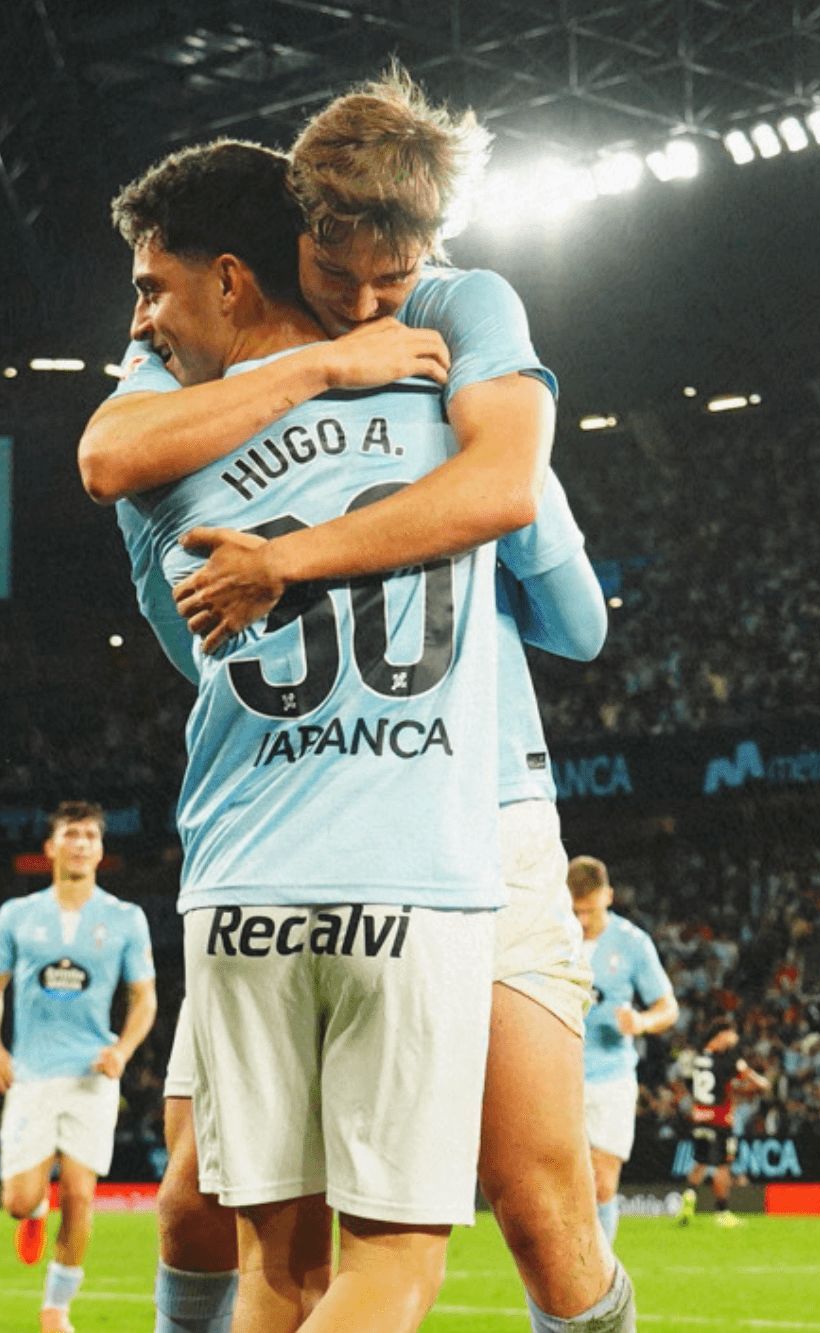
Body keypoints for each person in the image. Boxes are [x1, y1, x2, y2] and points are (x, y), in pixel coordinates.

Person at [103, 114, 607, 1331]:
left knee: (533, 1203)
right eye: (340, 278)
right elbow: (108, 454)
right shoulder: (185, 344)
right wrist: (325, 383)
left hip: (469, 804)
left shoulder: (467, 313)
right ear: (285, 239)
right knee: (226, 1208)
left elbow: (560, 594)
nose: (377, 302)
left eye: (398, 276)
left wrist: (296, 557)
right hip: (335, 815)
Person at [0, 801, 158, 1333]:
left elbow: (143, 997)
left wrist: (122, 1050)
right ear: (51, 848)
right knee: (19, 1200)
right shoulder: (17, 915)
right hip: (32, 1074)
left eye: (90, 837)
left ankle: (56, 1310)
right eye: (71, 835)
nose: (81, 844)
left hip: (91, 1077)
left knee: (80, 1194)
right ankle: (32, 1217)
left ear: (101, 851)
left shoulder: (125, 918)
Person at [568, 854, 679, 1244]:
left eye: (589, 911)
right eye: (574, 911)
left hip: (610, 1077)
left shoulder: (632, 943)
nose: (581, 921)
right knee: (562, 1186)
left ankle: (599, 1280)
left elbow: (668, 1007)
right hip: (557, 1077)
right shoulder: (551, 938)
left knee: (601, 1182)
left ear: (609, 897)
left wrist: (642, 1022)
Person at [678, 1018, 770, 1229]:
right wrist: (760, 1083)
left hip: (699, 1117)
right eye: (731, 1035)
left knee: (700, 1162)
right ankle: (722, 1212)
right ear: (720, 1035)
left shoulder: (699, 1058)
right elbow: (753, 1080)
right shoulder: (727, 1060)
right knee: (722, 1166)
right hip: (720, 1120)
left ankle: (689, 1197)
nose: (733, 1040)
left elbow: (698, 1087)